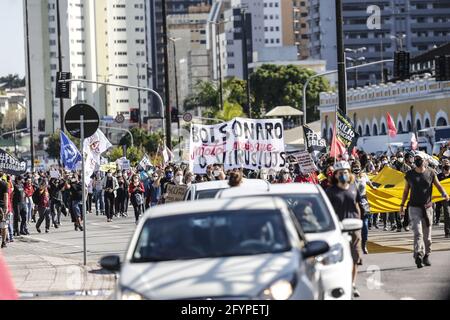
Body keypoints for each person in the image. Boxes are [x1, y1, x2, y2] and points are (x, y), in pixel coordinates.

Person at [400, 153, 450, 268]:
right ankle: (418, 254)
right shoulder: (409, 174)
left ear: (425, 161)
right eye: (416, 159)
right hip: (414, 208)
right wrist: (402, 205)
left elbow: (438, 185)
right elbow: (405, 191)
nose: (418, 160)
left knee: (427, 237)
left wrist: (444, 194)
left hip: (427, 209)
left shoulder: (431, 172)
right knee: (418, 233)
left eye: (420, 159)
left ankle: (427, 255)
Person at [325, 161, 363, 298]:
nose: (343, 175)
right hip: (338, 230)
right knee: (340, 258)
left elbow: (357, 205)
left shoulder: (354, 187)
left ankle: (352, 284)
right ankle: (342, 283)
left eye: (346, 172)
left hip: (354, 228)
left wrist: (359, 221)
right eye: (340, 173)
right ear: (335, 175)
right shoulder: (330, 191)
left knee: (355, 258)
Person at [435, 163, 449, 234]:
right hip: (444, 197)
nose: (447, 170)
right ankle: (448, 231)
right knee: (447, 213)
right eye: (446, 168)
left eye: (448, 168)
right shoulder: (439, 176)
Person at [0, 173, 9, 248]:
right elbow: (6, 196)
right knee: (4, 225)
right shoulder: (5, 184)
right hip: (2, 207)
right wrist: (6, 208)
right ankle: (3, 242)